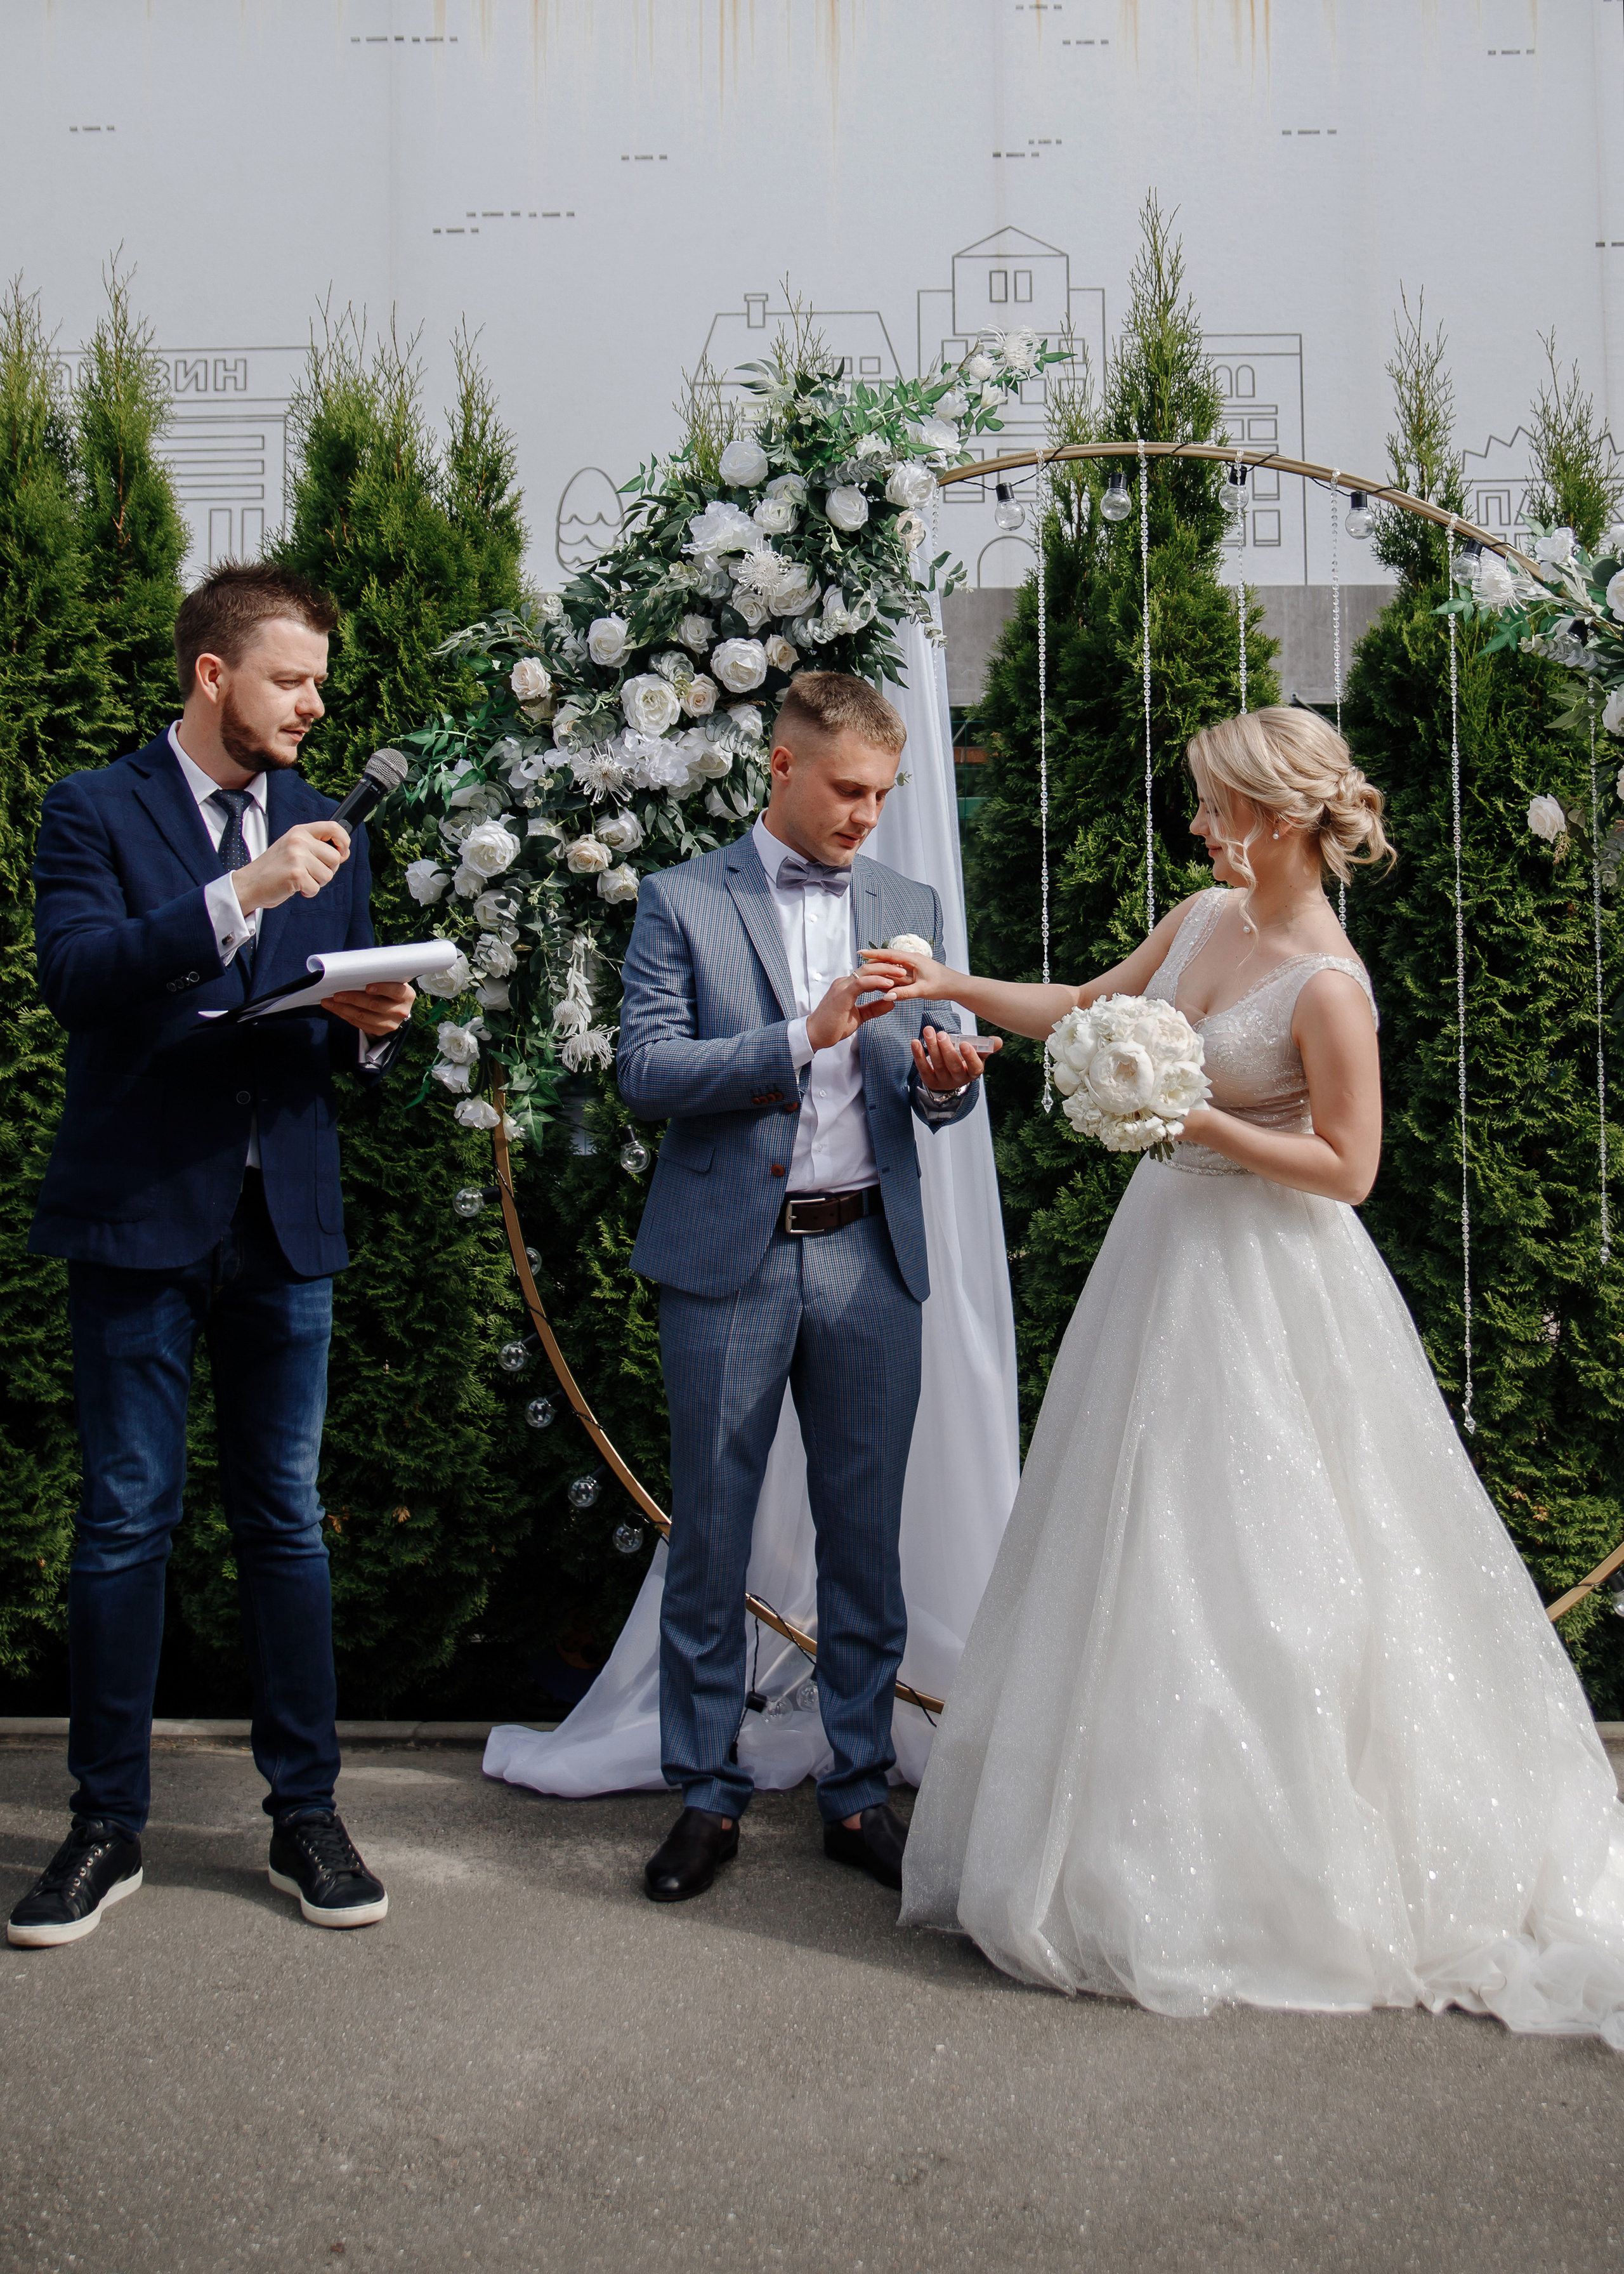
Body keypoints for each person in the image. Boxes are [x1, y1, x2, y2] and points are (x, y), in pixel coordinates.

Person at [891, 705, 1624, 2047]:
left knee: (1269, 1568)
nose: (1195, 827)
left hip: (1271, 1283)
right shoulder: (1198, 916)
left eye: (1214, 808)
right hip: (1159, 1258)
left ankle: (1275, 1872)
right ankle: (1116, 1846)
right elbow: (1083, 1008)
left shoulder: (1326, 984)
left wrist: (1195, 1116)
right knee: (1129, 1542)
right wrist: (949, 984)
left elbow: (1349, 1168)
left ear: (1279, 820)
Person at [8, 562, 416, 1951]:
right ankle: (103, 1821)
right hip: (136, 1214)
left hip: (281, 1221)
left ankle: (305, 1809)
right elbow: (79, 979)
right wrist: (239, 891)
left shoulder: (321, 821)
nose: (313, 703)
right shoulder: (94, 809)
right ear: (211, 675)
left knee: (287, 1521)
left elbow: (309, 1013)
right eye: (291, 679)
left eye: (317, 682)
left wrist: (373, 1017)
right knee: (127, 1518)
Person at [617, 671, 997, 1903]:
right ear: (780, 768)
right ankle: (704, 1797)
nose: (863, 818)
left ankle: (854, 1789)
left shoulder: (907, 901)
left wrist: (944, 1077)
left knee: (864, 1538)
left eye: (881, 796)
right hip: (730, 1258)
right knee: (711, 1534)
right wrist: (800, 1036)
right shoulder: (681, 899)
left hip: (867, 1255)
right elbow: (643, 1070)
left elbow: (923, 1094)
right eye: (845, 790)